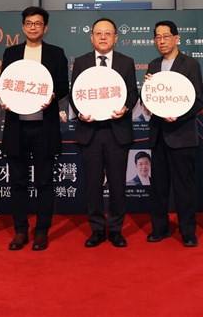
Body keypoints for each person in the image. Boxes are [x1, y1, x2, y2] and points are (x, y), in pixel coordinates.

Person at [1, 6, 69, 251]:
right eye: (28, 23)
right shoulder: (11, 53)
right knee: (17, 182)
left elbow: (63, 86)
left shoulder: (55, 53)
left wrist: (52, 96)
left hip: (45, 127)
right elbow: (4, 84)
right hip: (17, 126)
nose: (33, 27)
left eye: (38, 23)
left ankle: (41, 230)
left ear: (45, 27)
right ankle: (20, 230)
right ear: (23, 26)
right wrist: (4, 98)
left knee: (44, 182)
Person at [70, 18, 138, 248]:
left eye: (107, 33)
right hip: (90, 131)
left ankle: (116, 229)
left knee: (118, 184)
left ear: (116, 37)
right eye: (98, 33)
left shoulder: (126, 62)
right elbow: (74, 94)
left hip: (116, 131)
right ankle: (97, 229)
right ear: (91, 37)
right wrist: (80, 112)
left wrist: (126, 107)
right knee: (92, 184)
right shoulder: (80, 62)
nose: (102, 37)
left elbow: (132, 95)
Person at [144, 20, 203, 247]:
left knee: (184, 187)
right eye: (157, 37)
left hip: (182, 133)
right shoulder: (152, 65)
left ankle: (188, 232)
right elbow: (147, 100)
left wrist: (178, 114)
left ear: (176, 38)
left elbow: (198, 100)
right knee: (158, 186)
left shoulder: (190, 64)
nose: (161, 41)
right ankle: (159, 229)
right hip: (159, 134)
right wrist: (148, 95)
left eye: (166, 36)